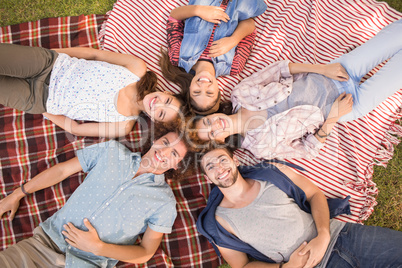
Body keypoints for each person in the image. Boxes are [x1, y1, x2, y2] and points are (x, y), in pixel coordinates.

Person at [193, 18, 402, 160]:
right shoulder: (260, 147)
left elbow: (280, 69)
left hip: (334, 72)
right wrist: (333, 118)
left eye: (208, 121)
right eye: (212, 133)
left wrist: (324, 69)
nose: (215, 125)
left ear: (212, 113)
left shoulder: (240, 94)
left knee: (395, 35)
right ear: (219, 141)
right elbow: (307, 150)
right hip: (348, 105)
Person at [0, 132, 188, 267]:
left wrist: (98, 247)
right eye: (165, 142)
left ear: (178, 166)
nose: (163, 152)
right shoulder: (112, 151)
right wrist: (18, 194)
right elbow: (62, 170)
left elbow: (146, 252)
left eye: (174, 154)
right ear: (155, 139)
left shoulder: (164, 202)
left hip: (86, 264)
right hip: (43, 245)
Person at [197, 147, 402, 268]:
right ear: (207, 177)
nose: (219, 169)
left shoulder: (271, 172)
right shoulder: (217, 222)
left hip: (342, 235)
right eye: (210, 166)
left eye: (222, 160)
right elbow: (242, 265)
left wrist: (323, 235)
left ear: (235, 160)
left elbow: (314, 194)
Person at [0, 43, 184, 138]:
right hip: (49, 65)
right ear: (168, 93)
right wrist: (53, 53)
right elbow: (93, 54)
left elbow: (76, 129)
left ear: (154, 120)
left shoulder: (124, 125)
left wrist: (44, 109)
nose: (157, 104)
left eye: (161, 113)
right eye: (167, 101)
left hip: (38, 99)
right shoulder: (137, 69)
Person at [159, 0, 267, 115]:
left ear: (189, 89)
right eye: (209, 93)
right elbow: (250, 24)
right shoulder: (234, 66)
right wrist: (233, 40)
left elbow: (174, 17)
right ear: (218, 91)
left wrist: (199, 10)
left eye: (196, 92)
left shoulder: (178, 57)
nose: (204, 86)